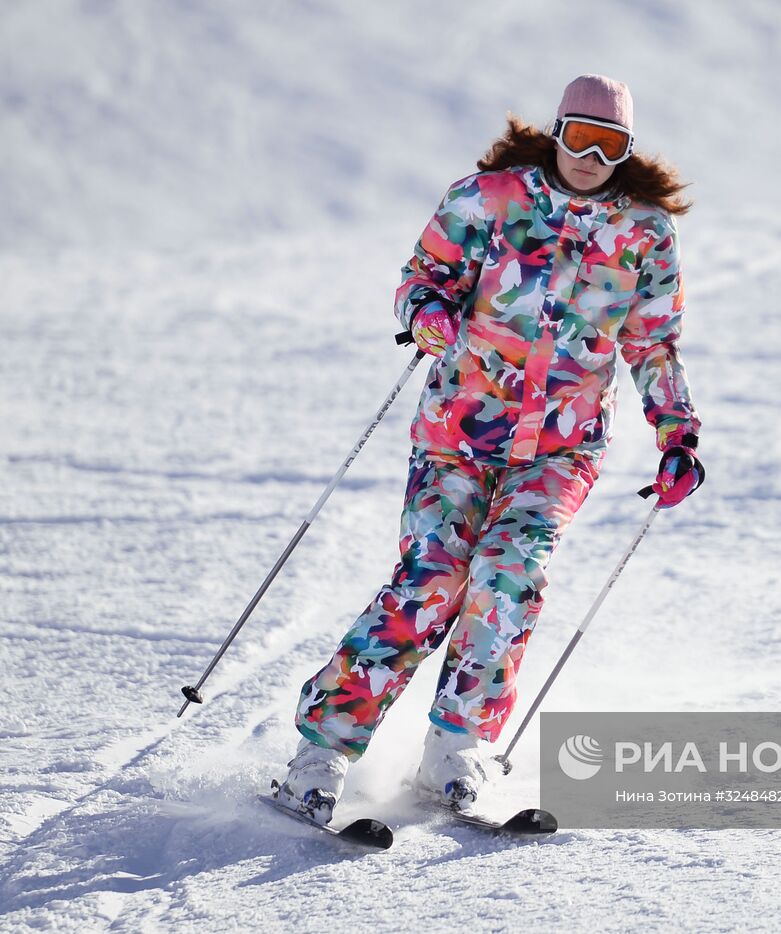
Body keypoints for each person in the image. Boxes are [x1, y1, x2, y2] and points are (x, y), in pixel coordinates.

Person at [277, 74, 706, 823]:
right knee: (434, 579)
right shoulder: (489, 198)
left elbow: (653, 343)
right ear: (557, 132)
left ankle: (456, 749)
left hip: (559, 449)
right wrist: (431, 315)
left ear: (627, 151)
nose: (591, 156)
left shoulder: (645, 234)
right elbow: (423, 277)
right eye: (579, 137)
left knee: (510, 574)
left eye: (611, 145)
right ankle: (324, 749)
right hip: (460, 433)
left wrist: (678, 433)